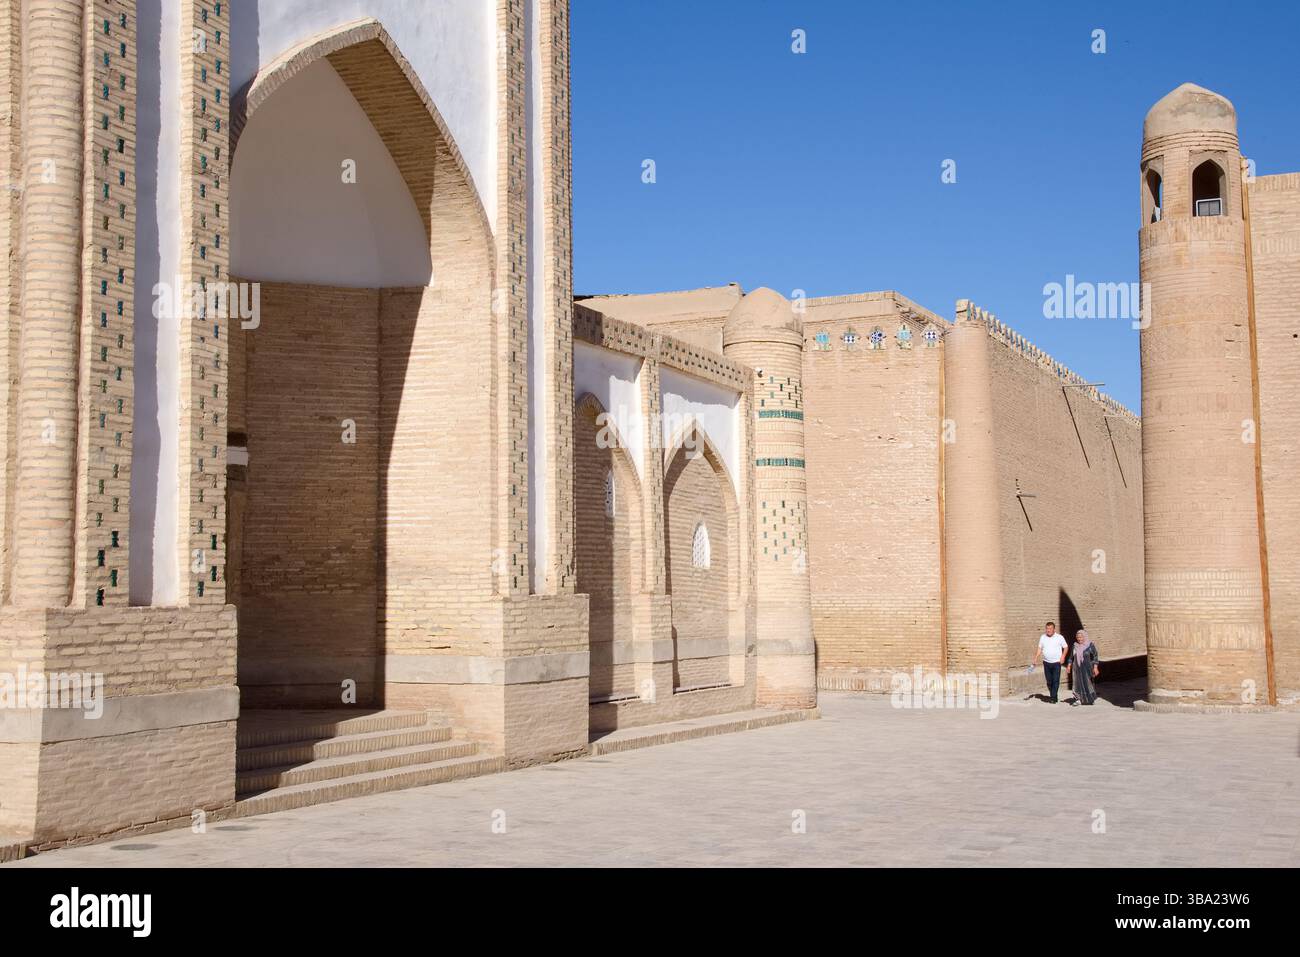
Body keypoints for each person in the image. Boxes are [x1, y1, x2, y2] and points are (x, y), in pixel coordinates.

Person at [1033, 621, 1067, 703]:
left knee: (1055, 680)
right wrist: (1035, 658)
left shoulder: (1059, 637)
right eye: (1047, 628)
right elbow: (1040, 648)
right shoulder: (1043, 637)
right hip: (1046, 662)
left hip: (1056, 663)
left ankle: (1053, 697)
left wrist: (1063, 657)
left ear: (1054, 629)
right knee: (1049, 681)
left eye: (1050, 628)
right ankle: (1053, 695)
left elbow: (1066, 647)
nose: (1048, 630)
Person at [1067, 629, 1100, 706]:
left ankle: (1090, 698)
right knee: (1077, 684)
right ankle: (1078, 699)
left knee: (1088, 683)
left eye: (1081, 637)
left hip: (1087, 668)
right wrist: (1069, 665)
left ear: (1084, 637)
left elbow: (1095, 656)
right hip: (1077, 668)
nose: (1079, 639)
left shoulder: (1090, 645)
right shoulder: (1075, 646)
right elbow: (1071, 657)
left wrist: (1095, 667)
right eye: (1078, 637)